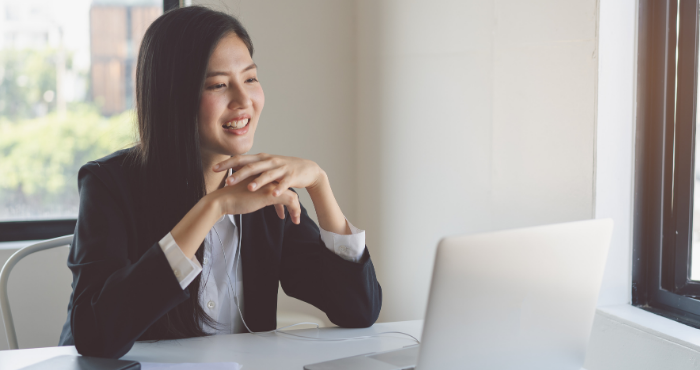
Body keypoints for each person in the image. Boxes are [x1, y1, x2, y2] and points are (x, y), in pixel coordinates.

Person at [58, 6, 382, 359]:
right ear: (173, 96)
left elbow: (358, 310)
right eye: (219, 85)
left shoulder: (264, 189)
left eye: (251, 79)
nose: (244, 102)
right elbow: (95, 337)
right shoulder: (108, 185)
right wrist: (214, 207)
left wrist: (320, 185)